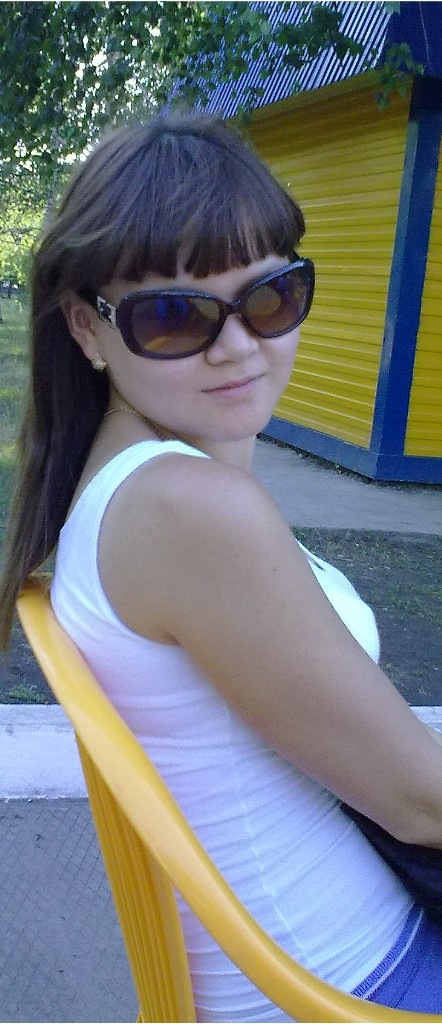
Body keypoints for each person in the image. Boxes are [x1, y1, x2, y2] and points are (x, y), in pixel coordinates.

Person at [1, 110, 442, 1021]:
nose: (239, 346)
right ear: (87, 328)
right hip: (353, 983)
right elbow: (422, 805)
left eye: (272, 298)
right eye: (174, 317)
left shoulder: (130, 484)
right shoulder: (187, 510)